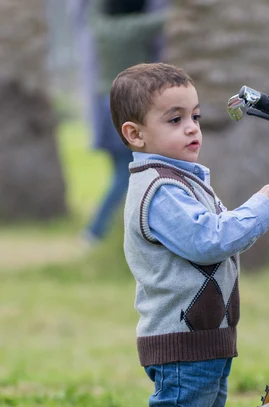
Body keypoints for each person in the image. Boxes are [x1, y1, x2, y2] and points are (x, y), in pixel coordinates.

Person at [109, 62, 269, 407]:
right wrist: (258, 208)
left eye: (194, 116)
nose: (191, 128)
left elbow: (221, 240)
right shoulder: (160, 188)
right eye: (173, 119)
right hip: (180, 337)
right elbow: (209, 240)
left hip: (207, 335)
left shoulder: (182, 179)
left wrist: (252, 214)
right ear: (135, 134)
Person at [69, 0, 166, 243]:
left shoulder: (99, 25)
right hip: (127, 105)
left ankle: (116, 232)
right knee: (125, 174)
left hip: (104, 104)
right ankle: (94, 231)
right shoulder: (138, 27)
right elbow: (169, 16)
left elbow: (90, 10)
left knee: (119, 172)